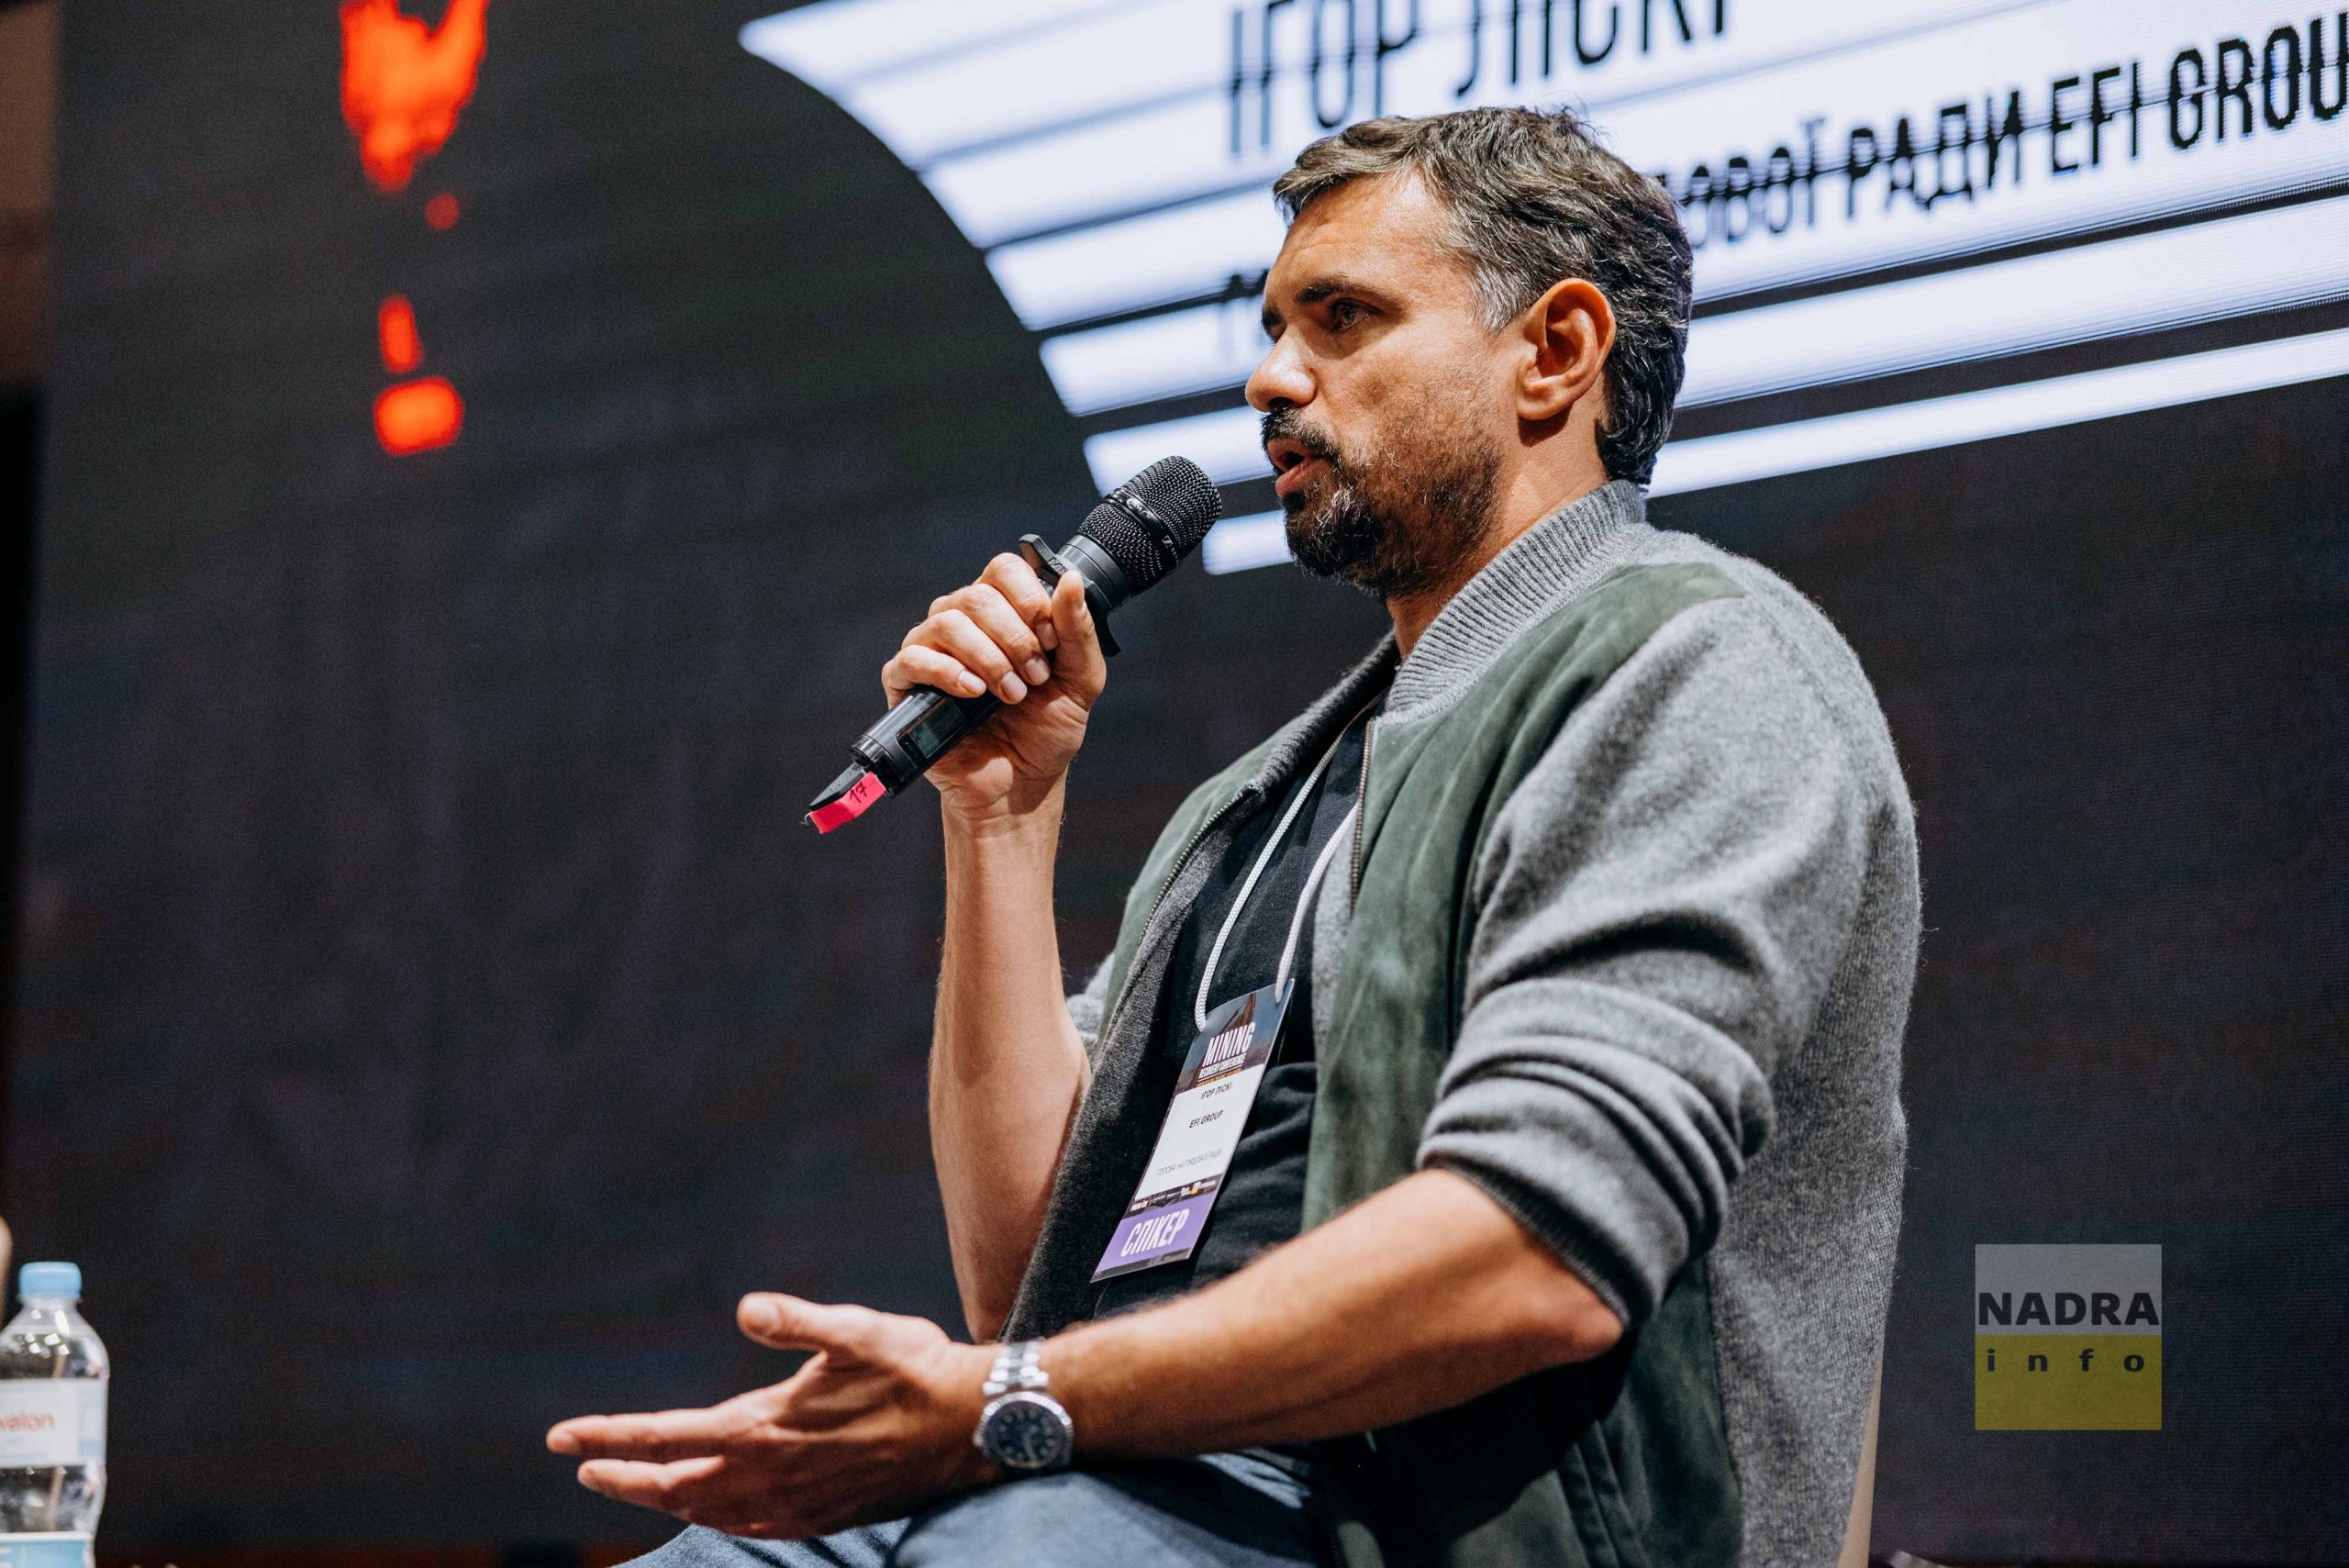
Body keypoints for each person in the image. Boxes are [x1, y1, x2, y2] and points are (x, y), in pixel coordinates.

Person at [548, 105, 1920, 1568]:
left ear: (1556, 350)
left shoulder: (1696, 663)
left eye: (1344, 318)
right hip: (1109, 1481)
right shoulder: (1258, 804)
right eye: (1273, 326)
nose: (1271, 374)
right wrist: (1000, 819)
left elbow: (1542, 1250)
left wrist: (1007, 1403)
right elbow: (1026, 1289)